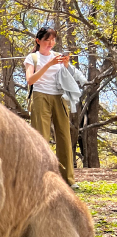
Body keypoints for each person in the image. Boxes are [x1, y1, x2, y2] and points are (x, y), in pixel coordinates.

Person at [24, 26, 76, 186]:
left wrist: (66, 65)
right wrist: (48, 64)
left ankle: (68, 180)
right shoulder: (32, 58)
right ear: (38, 41)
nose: (51, 43)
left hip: (59, 97)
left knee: (64, 136)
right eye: (47, 40)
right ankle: (41, 179)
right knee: (41, 137)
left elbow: (67, 78)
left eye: (53, 40)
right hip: (40, 97)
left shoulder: (58, 56)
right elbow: (30, 80)